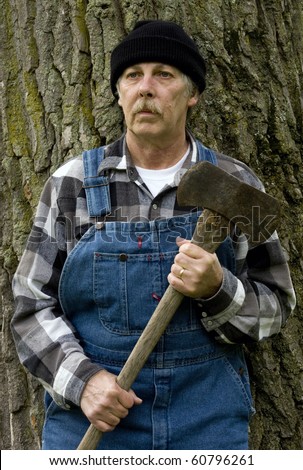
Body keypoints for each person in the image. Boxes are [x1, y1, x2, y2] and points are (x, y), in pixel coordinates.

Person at [11, 20, 296, 451]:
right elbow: (30, 307)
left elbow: (277, 303)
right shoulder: (71, 184)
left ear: (192, 93)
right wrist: (84, 383)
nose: (145, 88)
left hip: (206, 418)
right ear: (120, 93)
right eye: (132, 76)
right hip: (97, 418)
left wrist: (218, 289)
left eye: (163, 74)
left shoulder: (237, 181)